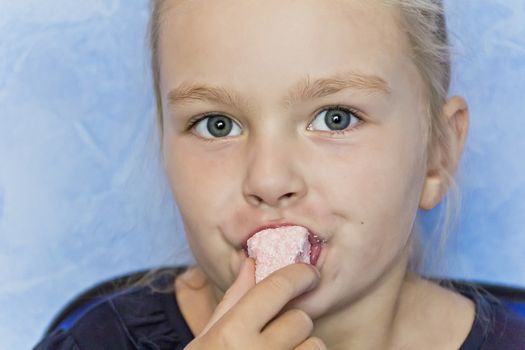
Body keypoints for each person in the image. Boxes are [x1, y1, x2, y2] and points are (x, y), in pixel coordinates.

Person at [35, 0, 525, 349]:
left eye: (336, 118)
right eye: (216, 125)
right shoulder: (93, 339)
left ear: (438, 153)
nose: (268, 180)